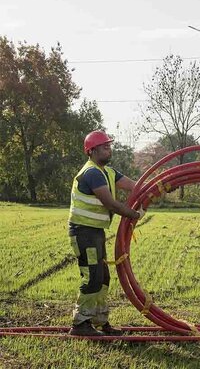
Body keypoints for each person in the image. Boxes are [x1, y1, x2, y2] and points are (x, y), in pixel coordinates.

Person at [68, 130, 145, 336]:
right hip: (84, 232)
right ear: (91, 151)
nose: (108, 149)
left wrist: (162, 187)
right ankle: (80, 323)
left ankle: (100, 322)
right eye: (104, 146)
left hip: (95, 232)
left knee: (103, 277)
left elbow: (135, 186)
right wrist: (133, 214)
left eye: (109, 146)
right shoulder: (91, 172)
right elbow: (109, 203)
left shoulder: (108, 172)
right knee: (92, 276)